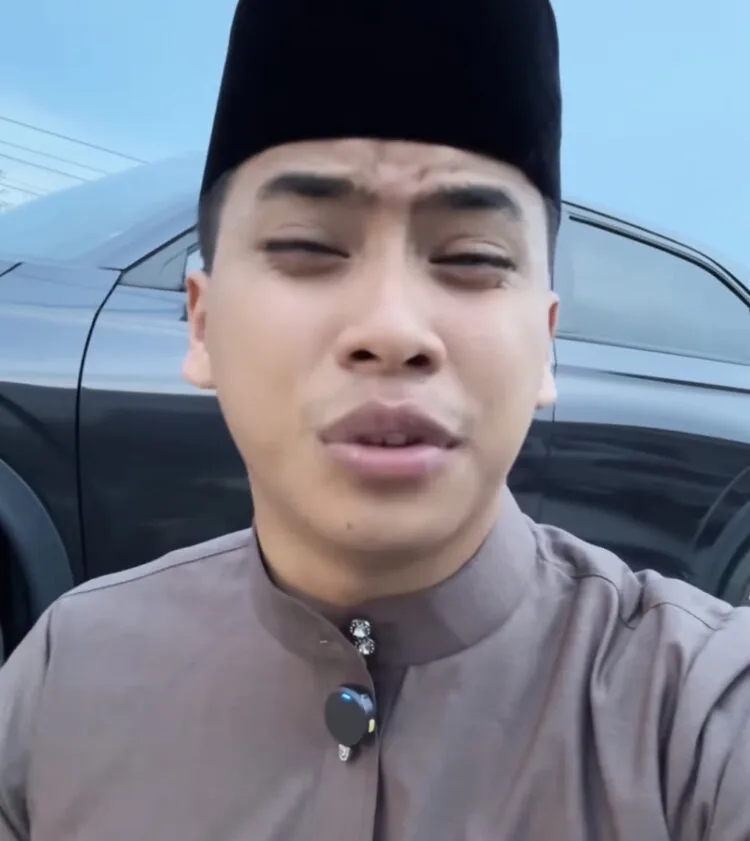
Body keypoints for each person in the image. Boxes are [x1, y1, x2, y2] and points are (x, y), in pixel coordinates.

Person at [1, 0, 750, 838]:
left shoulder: (700, 722)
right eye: (307, 247)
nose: (392, 328)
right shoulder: (64, 681)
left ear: (545, 345)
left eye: (471, 256)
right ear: (202, 324)